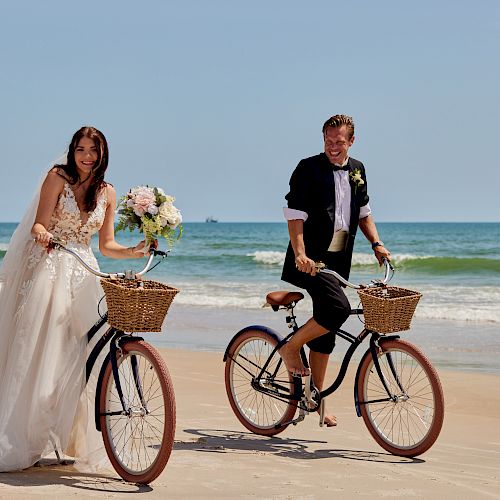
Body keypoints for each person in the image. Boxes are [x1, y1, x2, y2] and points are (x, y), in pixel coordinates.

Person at [0, 126, 150, 472]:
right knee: (44, 350)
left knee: (82, 352)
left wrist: (135, 250)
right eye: (81, 149)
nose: (86, 156)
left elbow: (106, 244)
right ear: (73, 151)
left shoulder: (108, 192)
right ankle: (25, 436)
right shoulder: (57, 178)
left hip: (86, 270)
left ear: (102, 154)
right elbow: (38, 224)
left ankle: (66, 434)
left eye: (92, 151)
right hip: (51, 265)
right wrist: (44, 236)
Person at [280, 114, 391, 427]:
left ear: (351, 141)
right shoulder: (307, 168)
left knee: (326, 335)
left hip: (339, 258)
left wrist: (377, 244)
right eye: (328, 141)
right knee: (338, 309)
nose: (332, 147)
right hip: (310, 259)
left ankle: (316, 402)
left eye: (339, 142)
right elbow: (295, 215)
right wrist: (301, 253)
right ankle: (290, 347)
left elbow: (364, 213)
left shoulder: (358, 169)